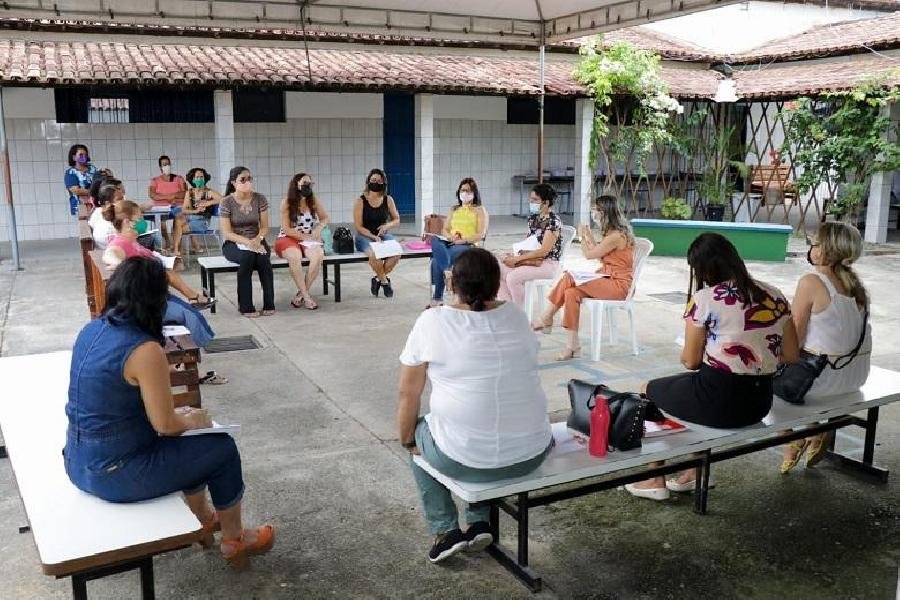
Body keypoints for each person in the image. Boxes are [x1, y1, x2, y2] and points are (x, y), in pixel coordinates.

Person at [63, 257, 274, 569]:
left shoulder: (91, 329)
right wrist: (194, 419)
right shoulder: (144, 349)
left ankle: (204, 519)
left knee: (192, 444)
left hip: (78, 462)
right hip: (114, 474)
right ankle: (235, 539)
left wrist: (183, 421)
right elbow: (165, 425)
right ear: (156, 300)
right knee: (222, 449)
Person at [398, 248, 554, 563]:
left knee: (417, 437)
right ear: (497, 283)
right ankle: (479, 521)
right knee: (483, 421)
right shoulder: (516, 315)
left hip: (466, 460)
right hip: (531, 453)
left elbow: (408, 394)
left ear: (452, 284)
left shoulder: (433, 321)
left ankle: (445, 531)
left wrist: (408, 442)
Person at [625, 233, 799, 501]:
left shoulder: (706, 299)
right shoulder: (774, 294)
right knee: (688, 389)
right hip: (758, 403)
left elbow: (691, 361)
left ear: (703, 270)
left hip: (718, 403)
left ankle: (655, 479)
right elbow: (791, 354)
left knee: (649, 389)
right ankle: (694, 472)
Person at [780, 222, 872, 473]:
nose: (811, 249)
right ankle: (814, 431)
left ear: (825, 250)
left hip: (824, 380)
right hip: (855, 376)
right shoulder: (856, 285)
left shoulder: (811, 282)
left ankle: (790, 439)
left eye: (814, 244)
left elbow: (794, 341)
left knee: (758, 377)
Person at [533, 195, 635, 360]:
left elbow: (589, 255)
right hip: (607, 277)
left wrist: (581, 237)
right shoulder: (612, 232)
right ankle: (573, 346)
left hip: (618, 285)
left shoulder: (616, 236)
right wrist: (589, 235)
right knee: (570, 293)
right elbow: (600, 254)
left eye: (596, 210)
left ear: (605, 212)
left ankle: (546, 317)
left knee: (569, 277)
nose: (593, 213)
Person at [102, 200, 214, 310]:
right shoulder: (120, 243)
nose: (143, 222)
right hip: (142, 299)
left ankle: (193, 297)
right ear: (127, 222)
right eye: (139, 219)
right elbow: (110, 253)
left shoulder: (132, 241)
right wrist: (118, 263)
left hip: (152, 292)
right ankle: (194, 297)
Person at [220, 166, 276, 317]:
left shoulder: (260, 199)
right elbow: (227, 233)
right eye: (243, 180)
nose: (247, 182)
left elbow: (264, 227)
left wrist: (257, 240)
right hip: (234, 243)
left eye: (249, 179)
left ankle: (269, 303)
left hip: (257, 240)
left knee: (263, 260)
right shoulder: (226, 202)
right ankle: (246, 306)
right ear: (234, 182)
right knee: (247, 257)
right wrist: (247, 242)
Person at [497, 183, 562, 307]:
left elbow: (543, 251)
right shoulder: (533, 218)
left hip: (548, 264)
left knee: (513, 278)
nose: (531, 202)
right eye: (531, 199)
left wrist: (517, 259)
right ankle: (508, 308)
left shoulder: (553, 221)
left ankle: (519, 312)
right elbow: (529, 244)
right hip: (532, 259)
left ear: (546, 203)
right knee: (496, 272)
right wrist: (515, 254)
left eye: (535, 200)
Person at [428, 177, 489, 307]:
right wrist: (450, 237)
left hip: (468, 245)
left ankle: (437, 299)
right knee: (435, 240)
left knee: (435, 261)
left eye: (468, 190)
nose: (465, 193)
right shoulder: (454, 209)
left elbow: (481, 234)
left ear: (474, 193)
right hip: (450, 242)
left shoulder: (480, 210)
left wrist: (463, 240)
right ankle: (447, 271)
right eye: (462, 190)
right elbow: (445, 229)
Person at [274, 172, 330, 310]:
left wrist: (318, 229)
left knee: (318, 255)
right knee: (295, 256)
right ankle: (306, 296)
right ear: (296, 184)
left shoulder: (313, 200)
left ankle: (300, 295)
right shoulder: (287, 202)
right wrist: (306, 237)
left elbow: (325, 218)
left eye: (310, 183)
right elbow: (287, 229)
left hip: (308, 238)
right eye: (305, 183)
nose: (308, 186)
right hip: (288, 237)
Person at [353, 169, 401, 298]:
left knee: (396, 253)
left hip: (382, 235)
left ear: (384, 183)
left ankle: (377, 278)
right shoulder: (360, 201)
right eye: (373, 180)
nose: (376, 183)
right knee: (375, 255)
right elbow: (358, 226)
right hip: (364, 236)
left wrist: (387, 226)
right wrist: (373, 237)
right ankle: (385, 282)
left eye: (379, 181)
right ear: (368, 182)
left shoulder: (388, 199)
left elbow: (397, 219)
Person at [172, 167, 222, 259]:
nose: (200, 179)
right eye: (197, 177)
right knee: (178, 218)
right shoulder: (189, 193)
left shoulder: (209, 192)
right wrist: (195, 211)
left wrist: (208, 203)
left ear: (205, 178)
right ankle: (177, 251)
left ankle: (177, 252)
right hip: (192, 217)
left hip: (203, 221)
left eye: (201, 177)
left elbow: (224, 199)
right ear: (193, 179)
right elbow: (184, 210)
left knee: (179, 228)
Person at [148, 155, 188, 253]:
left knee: (178, 219)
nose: (167, 166)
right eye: (164, 164)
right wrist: (169, 197)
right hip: (161, 208)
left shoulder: (179, 178)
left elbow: (185, 194)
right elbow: (152, 195)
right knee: (161, 223)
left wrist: (173, 196)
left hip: (177, 206)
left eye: (168, 164)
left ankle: (176, 245)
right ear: (160, 167)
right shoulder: (155, 180)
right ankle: (167, 241)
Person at [64, 144, 98, 215]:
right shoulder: (71, 173)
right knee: (84, 222)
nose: (84, 157)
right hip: (81, 206)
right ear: (74, 157)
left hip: (96, 204)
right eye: (81, 155)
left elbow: (100, 183)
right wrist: (94, 192)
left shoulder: (93, 169)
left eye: (85, 155)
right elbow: (76, 191)